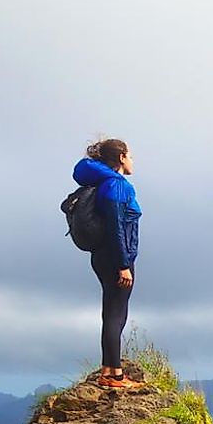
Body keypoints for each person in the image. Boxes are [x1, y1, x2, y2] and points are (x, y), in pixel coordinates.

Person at [74, 138, 142, 389]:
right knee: (116, 314)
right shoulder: (117, 185)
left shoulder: (102, 183)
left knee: (111, 312)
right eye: (131, 155)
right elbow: (116, 227)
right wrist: (123, 264)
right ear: (122, 158)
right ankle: (115, 376)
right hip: (116, 258)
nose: (133, 161)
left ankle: (109, 369)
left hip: (101, 255)